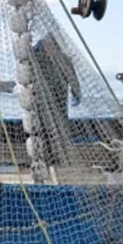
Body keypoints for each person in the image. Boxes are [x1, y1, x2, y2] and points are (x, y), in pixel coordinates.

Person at [30, 33, 82, 166]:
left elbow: (73, 79)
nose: (50, 49)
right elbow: (27, 57)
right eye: (47, 46)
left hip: (59, 99)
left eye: (53, 46)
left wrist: (76, 93)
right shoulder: (38, 58)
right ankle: (45, 159)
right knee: (42, 129)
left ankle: (60, 159)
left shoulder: (65, 60)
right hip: (40, 101)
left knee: (60, 128)